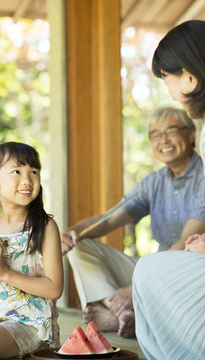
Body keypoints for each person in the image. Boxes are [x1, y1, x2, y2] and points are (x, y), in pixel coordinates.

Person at [61, 107, 205, 339]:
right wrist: (73, 231)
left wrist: (138, 288)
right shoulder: (153, 183)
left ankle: (133, 313)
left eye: (171, 131)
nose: (163, 140)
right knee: (80, 245)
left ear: (191, 135)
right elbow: (108, 220)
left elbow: (184, 246)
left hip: (188, 278)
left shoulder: (204, 177)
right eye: (155, 135)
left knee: (162, 273)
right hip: (154, 272)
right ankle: (120, 312)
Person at [132, 20, 205, 360]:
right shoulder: (155, 181)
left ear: (189, 76)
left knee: (148, 269)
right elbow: (120, 211)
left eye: (167, 78)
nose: (169, 90)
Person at [0, 142, 63, 360]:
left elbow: (55, 288)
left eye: (34, 172)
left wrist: (5, 273)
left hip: (30, 323)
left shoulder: (45, 226)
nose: (27, 180)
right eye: (17, 171)